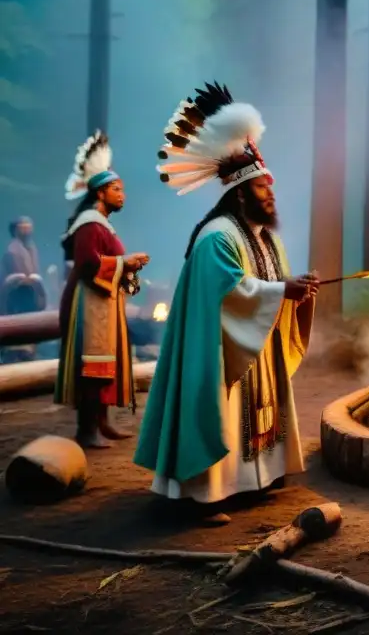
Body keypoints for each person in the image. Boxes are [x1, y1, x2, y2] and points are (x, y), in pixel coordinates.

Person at [134, 82, 319, 526]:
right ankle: (206, 495)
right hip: (217, 354)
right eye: (261, 188)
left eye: (271, 188)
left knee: (257, 414)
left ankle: (256, 479)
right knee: (218, 413)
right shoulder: (218, 237)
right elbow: (229, 294)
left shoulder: (265, 238)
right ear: (240, 194)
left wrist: (297, 291)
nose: (271, 195)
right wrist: (280, 292)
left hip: (257, 349)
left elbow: (272, 285)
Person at [55, 132, 149, 448]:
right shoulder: (89, 223)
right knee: (91, 366)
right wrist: (125, 262)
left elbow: (103, 261)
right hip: (89, 305)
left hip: (102, 300)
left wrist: (127, 266)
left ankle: (103, 423)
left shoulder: (100, 223)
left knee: (104, 364)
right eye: (117, 190)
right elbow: (87, 263)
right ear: (100, 192)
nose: (123, 195)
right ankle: (87, 429)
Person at [1, 216, 47, 362]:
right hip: (17, 298)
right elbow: (13, 277)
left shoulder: (31, 248)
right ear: (15, 229)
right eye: (23, 224)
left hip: (30, 295)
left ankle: (28, 353)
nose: (27, 227)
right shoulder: (12, 251)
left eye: (29, 224)